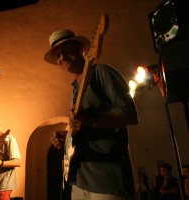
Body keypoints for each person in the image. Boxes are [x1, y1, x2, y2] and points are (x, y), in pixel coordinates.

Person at [44, 29, 138, 200]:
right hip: (79, 181)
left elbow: (130, 114)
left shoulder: (101, 72)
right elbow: (83, 128)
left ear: (81, 49)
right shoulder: (74, 88)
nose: (62, 57)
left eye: (66, 50)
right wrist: (67, 137)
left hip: (106, 180)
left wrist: (91, 120)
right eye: (57, 55)